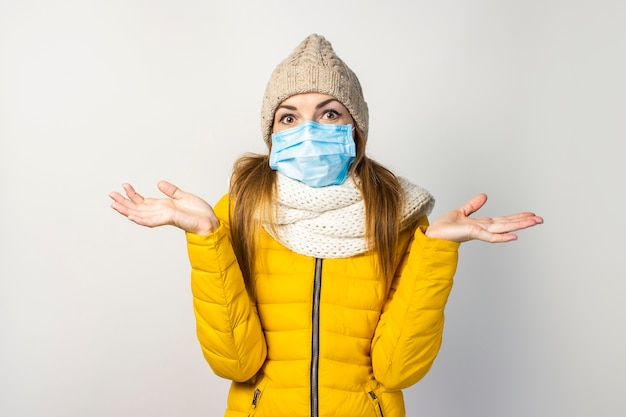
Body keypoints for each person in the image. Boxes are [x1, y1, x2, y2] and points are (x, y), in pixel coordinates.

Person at [109, 34, 543, 417]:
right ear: (272, 134)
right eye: (289, 117)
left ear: (356, 129)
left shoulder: (398, 217)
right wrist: (206, 238)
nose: (309, 129)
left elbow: (397, 370)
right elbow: (235, 364)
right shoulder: (240, 210)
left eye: (330, 114)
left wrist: (437, 249)